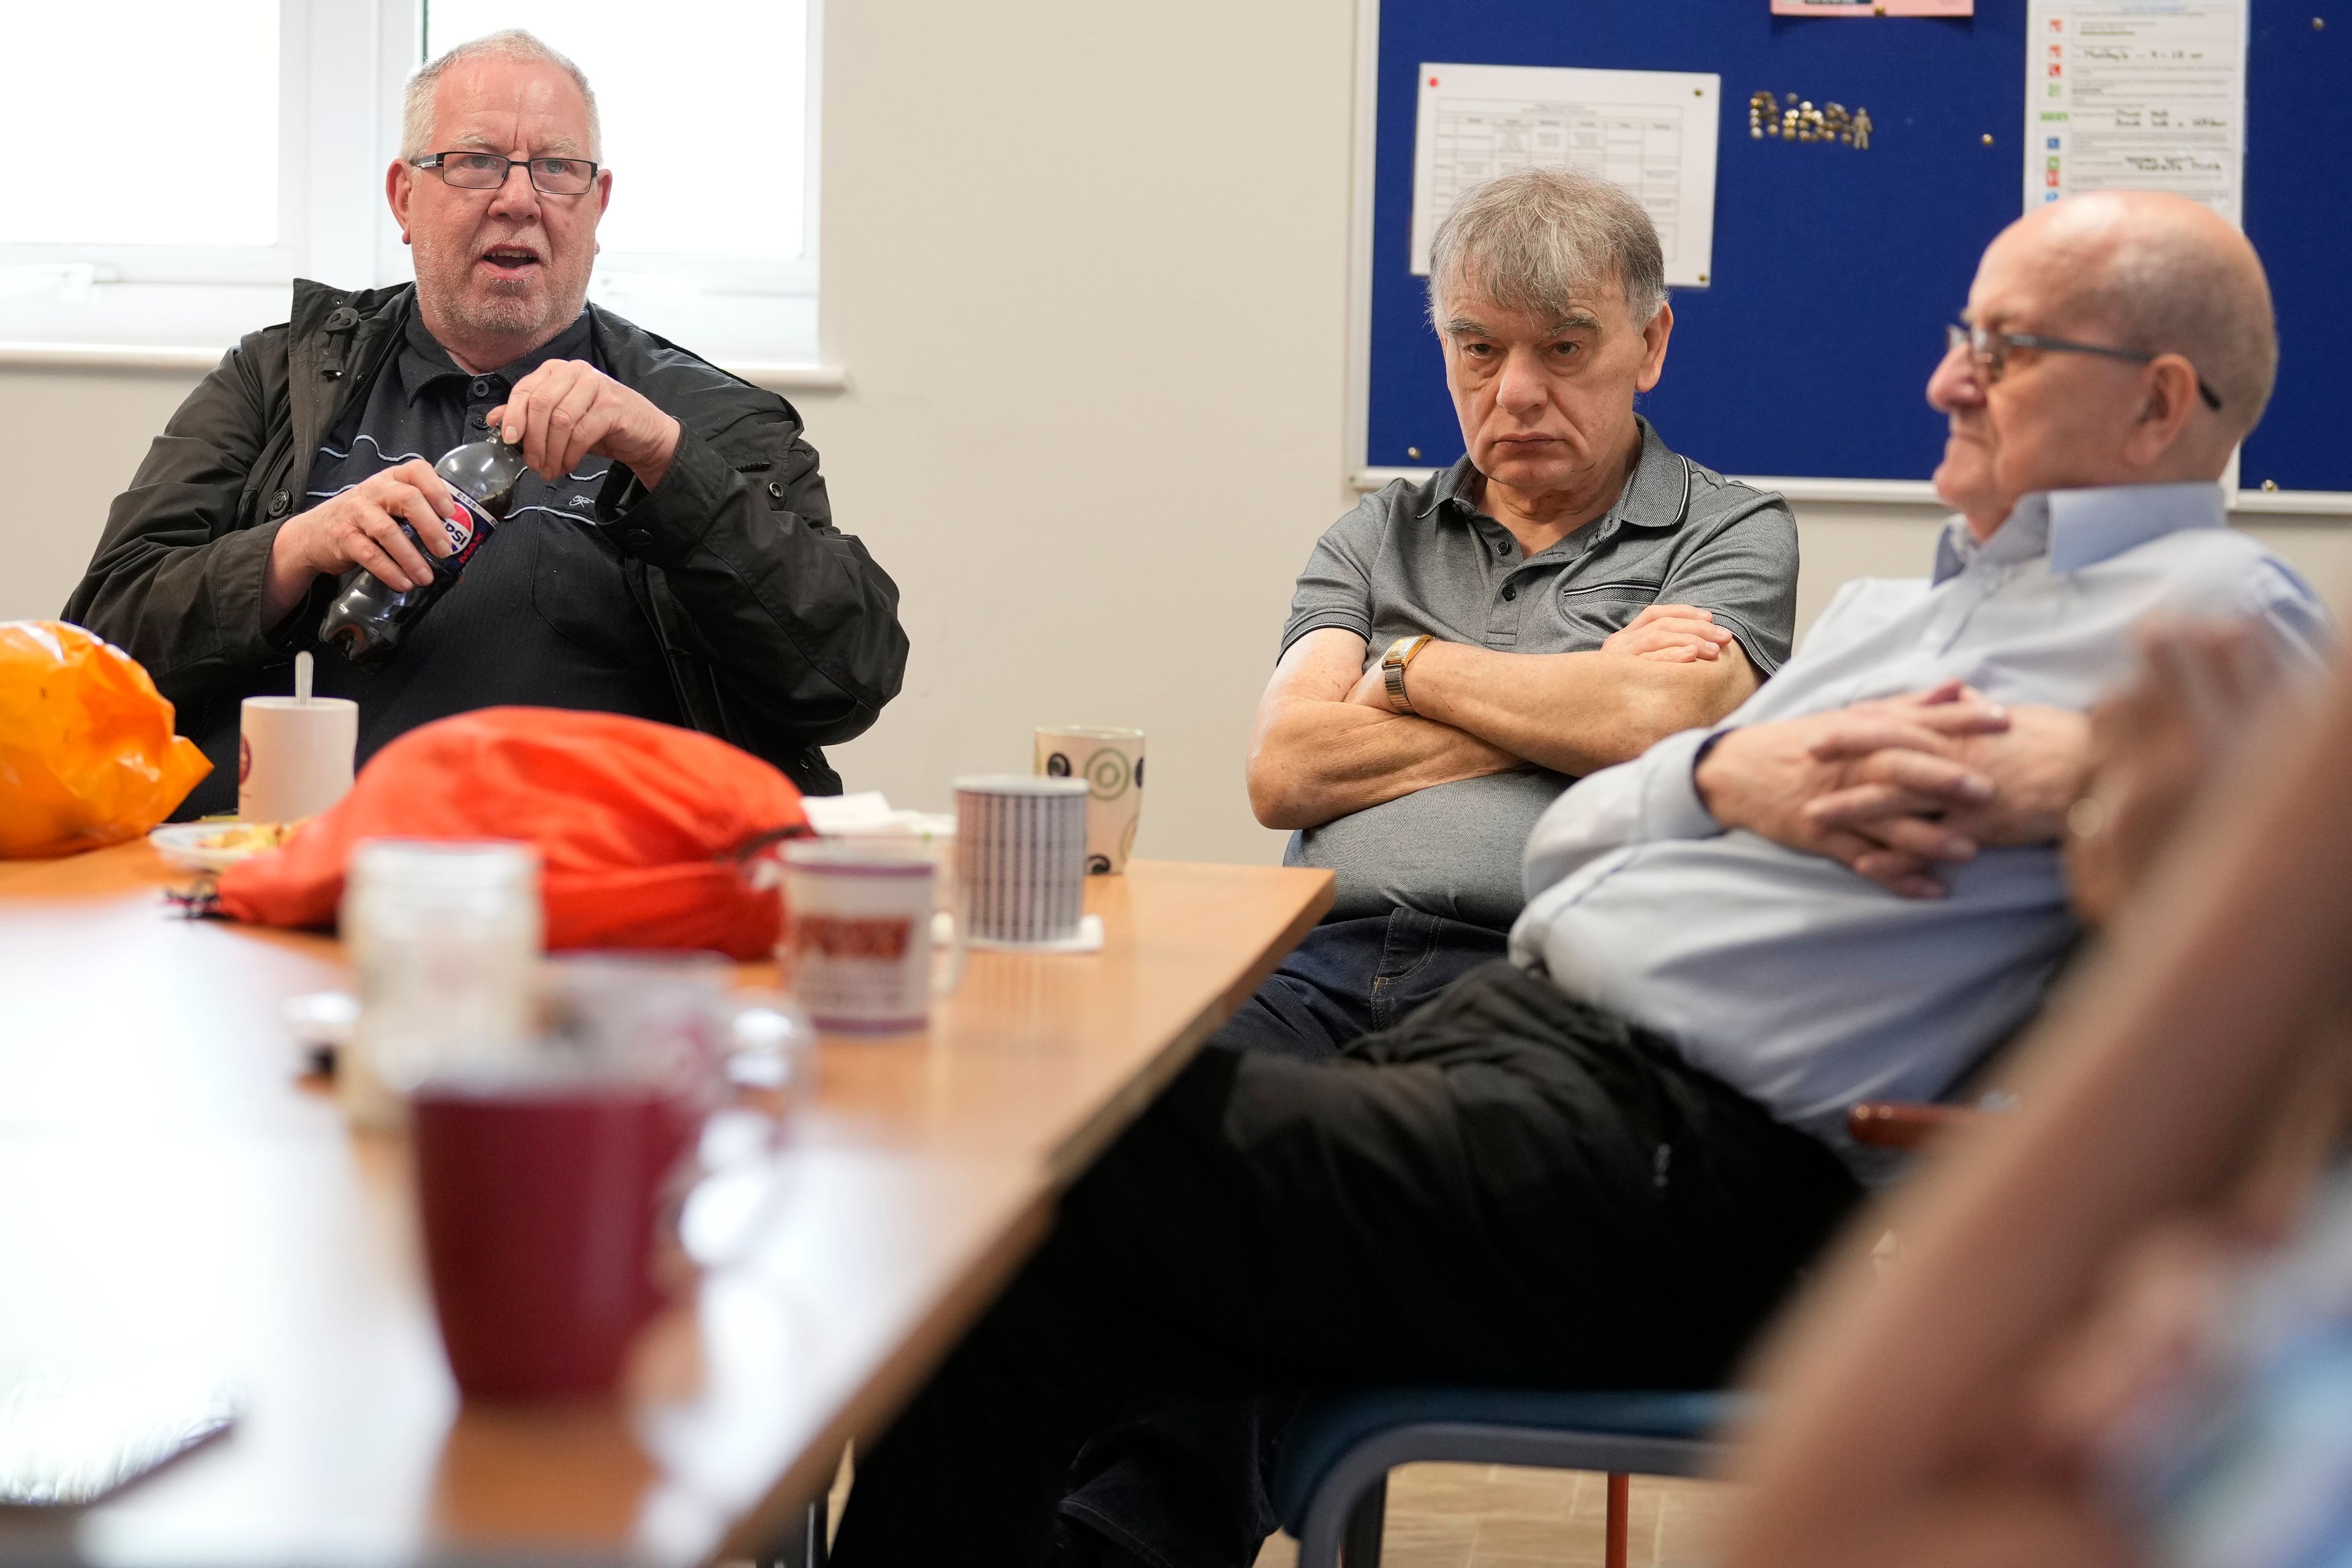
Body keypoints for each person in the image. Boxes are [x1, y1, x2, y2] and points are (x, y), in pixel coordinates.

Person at [831, 193, 2328, 1567]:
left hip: (1685, 1151)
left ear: (2160, 403)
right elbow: (1565, 832)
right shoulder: (1895, 616)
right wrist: (1722, 776)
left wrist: (2076, 764)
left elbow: (2301, 860)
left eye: (2002, 349)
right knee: (1050, 1217)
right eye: (1959, 339)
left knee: (1052, 1175)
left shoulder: (2217, 621)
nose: (1945, 380)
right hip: (1517, 1052)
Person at [64, 30, 906, 815]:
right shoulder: (277, 379)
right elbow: (97, 651)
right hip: (285, 877)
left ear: (597, 203)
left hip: (596, 907)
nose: (518, 199)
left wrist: (669, 466)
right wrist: (291, 551)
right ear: (404, 196)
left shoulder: (703, 418)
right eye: (475, 162)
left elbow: (846, 676)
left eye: (556, 168)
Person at [1719, 617, 2350, 1568]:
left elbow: (1835, 1537)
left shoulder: (2220, 622)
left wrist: (2223, 883)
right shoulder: (1895, 611)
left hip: (1715, 1120)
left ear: (2148, 450)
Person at [1227, 165, 1796, 1061]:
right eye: (1480, 350)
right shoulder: (1373, 535)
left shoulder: (1730, 531)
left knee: (1397, 1157)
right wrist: (1590, 698)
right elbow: (1284, 772)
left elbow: (1664, 719)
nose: (1517, 392)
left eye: (1563, 349)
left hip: (1562, 982)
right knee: (1137, 1121)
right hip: (1314, 969)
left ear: (1650, 345)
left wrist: (1408, 671)